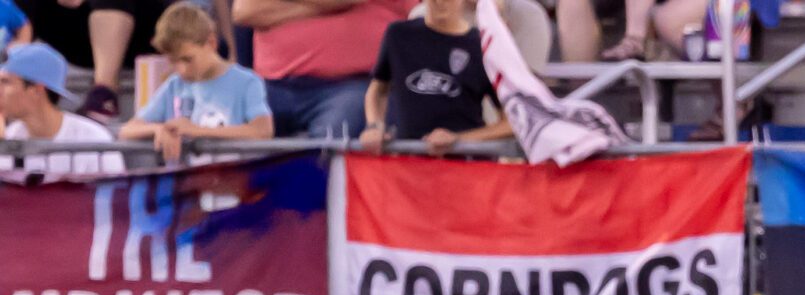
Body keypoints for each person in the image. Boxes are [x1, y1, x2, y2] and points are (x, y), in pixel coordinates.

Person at [233, 0, 411, 138]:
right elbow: (244, 11)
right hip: (270, 84)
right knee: (224, 126)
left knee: (330, 149)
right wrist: (325, 7)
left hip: (353, 86)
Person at [121, 2, 271, 163]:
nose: (182, 69)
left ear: (211, 43)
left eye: (188, 59)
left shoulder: (247, 82)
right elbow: (127, 130)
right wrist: (158, 128)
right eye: (174, 61)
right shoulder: (174, 85)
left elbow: (262, 131)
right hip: (184, 184)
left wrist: (198, 131)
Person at [360, 0, 513, 151]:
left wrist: (459, 139)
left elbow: (511, 123)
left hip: (466, 165)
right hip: (409, 163)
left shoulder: (482, 47)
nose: (440, 2)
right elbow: (378, 90)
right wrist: (374, 125)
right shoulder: (398, 35)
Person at [0, 42, 124, 175]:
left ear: (36, 90)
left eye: (5, 82)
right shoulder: (10, 137)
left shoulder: (95, 139)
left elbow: (114, 193)